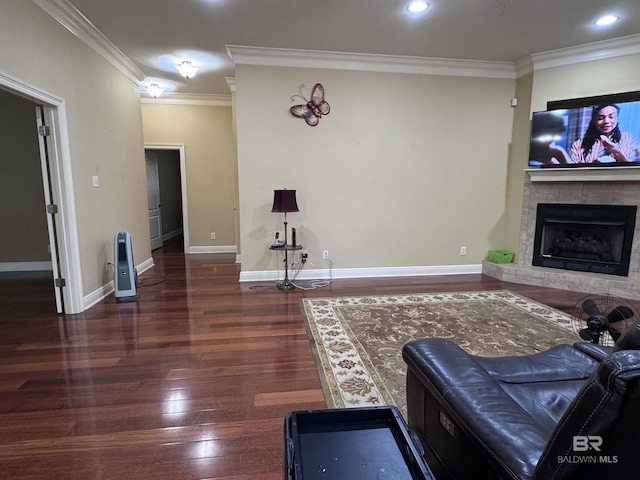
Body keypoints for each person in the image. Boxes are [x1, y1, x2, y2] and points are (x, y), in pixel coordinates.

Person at [569, 104, 638, 163]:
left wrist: (617, 152)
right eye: (601, 118)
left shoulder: (628, 139)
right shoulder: (578, 145)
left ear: (617, 119)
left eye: (611, 117)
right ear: (594, 121)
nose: (606, 121)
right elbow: (572, 172)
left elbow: (632, 169)